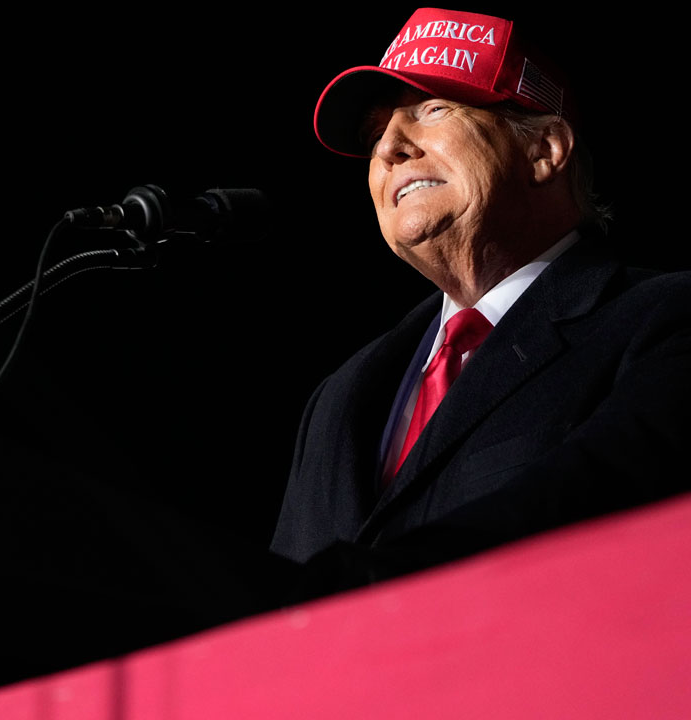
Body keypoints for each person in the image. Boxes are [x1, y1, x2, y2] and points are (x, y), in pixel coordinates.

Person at [270, 8, 691, 572]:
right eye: (376, 134)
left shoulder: (665, 319)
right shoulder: (338, 399)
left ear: (544, 150)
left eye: (434, 110)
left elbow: (603, 503)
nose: (390, 147)